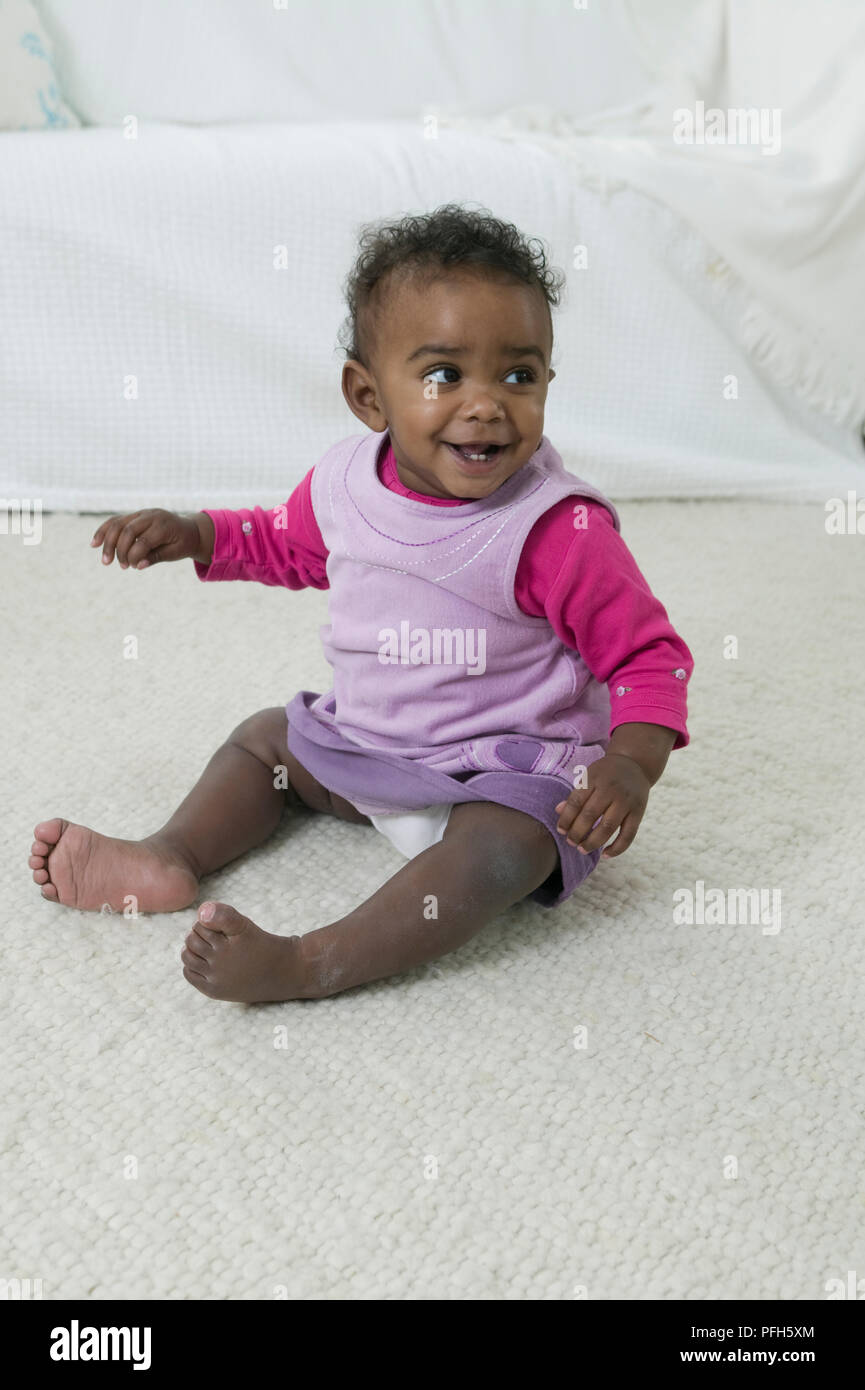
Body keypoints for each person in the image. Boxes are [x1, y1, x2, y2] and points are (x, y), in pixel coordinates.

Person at [29, 203, 694, 1004]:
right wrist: (197, 533)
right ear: (368, 396)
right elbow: (286, 544)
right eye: (444, 374)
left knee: (506, 852)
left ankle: (312, 960)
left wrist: (628, 764)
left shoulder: (555, 527)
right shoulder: (345, 483)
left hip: (500, 769)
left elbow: (646, 656)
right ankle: (168, 855)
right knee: (264, 742)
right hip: (366, 745)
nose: (486, 404)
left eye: (518, 374)